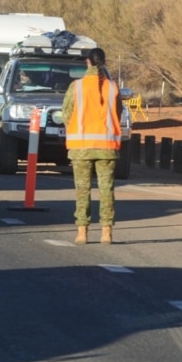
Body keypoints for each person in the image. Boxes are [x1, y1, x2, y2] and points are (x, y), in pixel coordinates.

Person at [62, 47, 123, 244]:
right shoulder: (113, 88)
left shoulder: (76, 87)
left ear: (87, 63)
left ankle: (82, 232)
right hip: (107, 148)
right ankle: (107, 232)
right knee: (107, 190)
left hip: (81, 148)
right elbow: (118, 114)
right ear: (104, 63)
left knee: (82, 190)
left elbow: (67, 114)